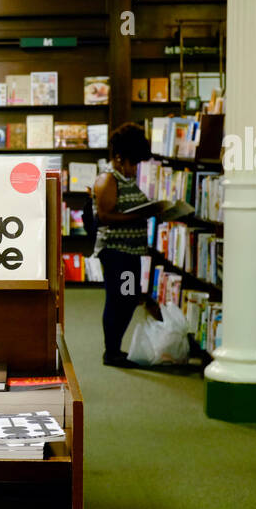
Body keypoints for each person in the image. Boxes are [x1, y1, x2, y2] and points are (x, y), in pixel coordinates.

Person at [93, 122, 154, 368]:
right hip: (116, 252)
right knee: (119, 299)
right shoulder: (108, 179)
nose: (134, 168)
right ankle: (112, 351)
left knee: (128, 299)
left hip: (131, 252)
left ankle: (115, 349)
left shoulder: (125, 178)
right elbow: (104, 216)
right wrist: (138, 216)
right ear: (119, 158)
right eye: (132, 163)